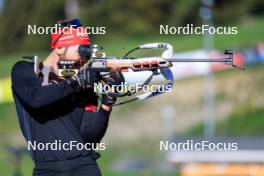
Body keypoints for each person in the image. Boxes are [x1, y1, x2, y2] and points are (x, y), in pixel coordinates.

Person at [11, 19, 118, 176]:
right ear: (60, 47)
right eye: (81, 50)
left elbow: (89, 138)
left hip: (84, 166)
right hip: (45, 170)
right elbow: (36, 99)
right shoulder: (25, 69)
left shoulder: (82, 84)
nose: (85, 58)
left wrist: (107, 103)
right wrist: (77, 82)